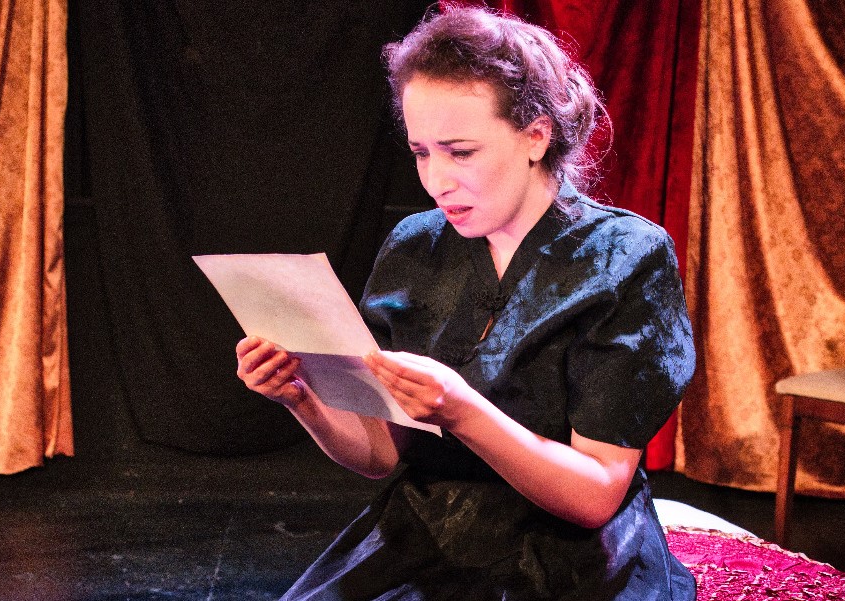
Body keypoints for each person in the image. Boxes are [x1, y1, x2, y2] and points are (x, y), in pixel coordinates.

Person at [235, 5, 696, 600]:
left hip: (570, 553)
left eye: (461, 152)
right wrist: (301, 397)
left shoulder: (625, 257)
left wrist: (461, 411)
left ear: (536, 136)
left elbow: (594, 495)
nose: (436, 182)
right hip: (430, 532)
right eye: (421, 152)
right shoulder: (415, 246)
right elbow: (381, 454)